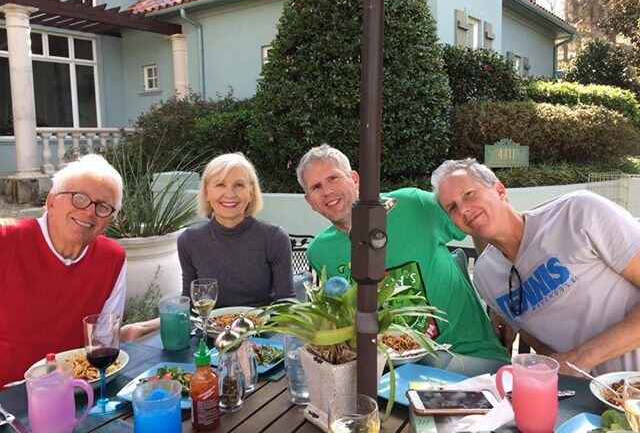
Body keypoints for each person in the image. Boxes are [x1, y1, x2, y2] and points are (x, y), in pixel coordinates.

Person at [296, 145, 509, 364]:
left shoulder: (412, 204)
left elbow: (481, 222)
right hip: (392, 370)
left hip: (470, 355)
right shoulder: (320, 251)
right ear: (310, 201)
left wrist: (500, 298)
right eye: (316, 187)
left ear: (355, 179)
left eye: (333, 178)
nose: (327, 191)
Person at [431, 158, 640, 376]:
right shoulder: (486, 276)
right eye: (452, 207)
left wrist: (583, 357)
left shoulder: (578, 213)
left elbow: (572, 359)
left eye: (468, 194)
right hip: (588, 399)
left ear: (500, 190)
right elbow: (542, 347)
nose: (463, 209)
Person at [121, 153, 294, 340]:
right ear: (206, 192)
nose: (230, 194)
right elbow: (192, 306)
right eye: (220, 185)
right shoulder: (190, 241)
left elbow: (285, 304)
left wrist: (276, 347)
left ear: (251, 192)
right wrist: (143, 326)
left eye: (239, 185)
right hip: (208, 338)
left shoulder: (274, 237)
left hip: (261, 336)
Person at [0, 154, 126, 386]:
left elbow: (103, 340)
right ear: (51, 201)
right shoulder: (6, 239)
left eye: (103, 207)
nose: (89, 212)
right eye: (79, 198)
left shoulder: (113, 258)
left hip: (75, 392)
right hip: (6, 399)